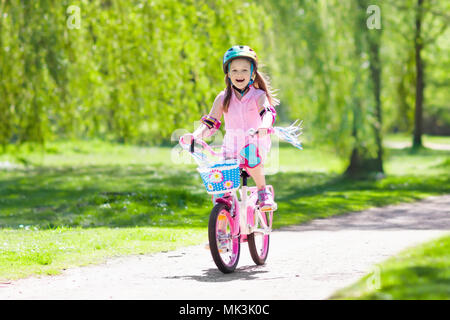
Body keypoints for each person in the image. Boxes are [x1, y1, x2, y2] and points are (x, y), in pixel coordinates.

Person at [182, 45, 279, 211]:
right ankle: (225, 219)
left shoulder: (258, 95)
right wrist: (196, 135)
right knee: (222, 178)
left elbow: (267, 113)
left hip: (255, 143)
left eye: (244, 70)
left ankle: (263, 192)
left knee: (249, 153)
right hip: (232, 147)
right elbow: (210, 123)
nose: (239, 74)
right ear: (227, 73)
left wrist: (264, 126)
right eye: (234, 70)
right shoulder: (223, 97)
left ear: (252, 73)